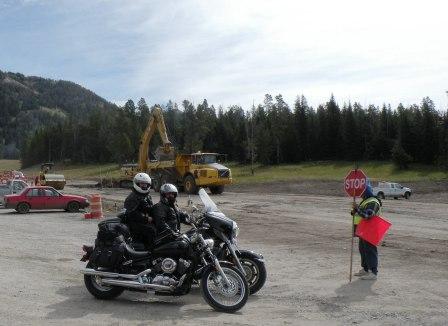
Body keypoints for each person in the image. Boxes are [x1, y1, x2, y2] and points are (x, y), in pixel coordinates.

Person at [351, 183, 382, 280]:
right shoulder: (365, 201)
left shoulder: (373, 202)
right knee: (363, 250)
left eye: (362, 192)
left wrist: (357, 209)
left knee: (370, 250)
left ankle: (373, 272)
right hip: (363, 230)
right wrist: (355, 210)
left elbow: (368, 215)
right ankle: (365, 269)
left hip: (371, 230)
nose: (360, 194)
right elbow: (358, 213)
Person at [123, 173, 155, 249]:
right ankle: (150, 252)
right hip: (134, 223)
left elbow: (150, 208)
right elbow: (131, 214)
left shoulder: (147, 195)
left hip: (143, 221)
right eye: (142, 184)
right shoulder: (132, 197)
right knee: (151, 231)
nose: (144, 186)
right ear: (137, 184)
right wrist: (146, 218)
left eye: (146, 184)